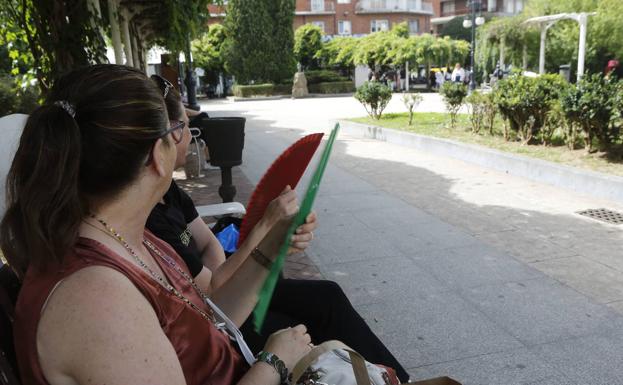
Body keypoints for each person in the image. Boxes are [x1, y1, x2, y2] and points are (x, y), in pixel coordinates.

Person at [1, 64, 313, 385]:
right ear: (156, 155)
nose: (181, 140)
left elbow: (207, 322)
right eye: (175, 131)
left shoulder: (124, 237)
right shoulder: (97, 300)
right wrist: (274, 363)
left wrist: (271, 247)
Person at [147, 74, 410, 382]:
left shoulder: (167, 195)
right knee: (313, 317)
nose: (191, 136)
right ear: (159, 146)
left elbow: (211, 252)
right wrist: (267, 228)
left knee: (327, 295)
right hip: (218, 324)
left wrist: (256, 252)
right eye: (181, 127)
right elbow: (214, 301)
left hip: (219, 304)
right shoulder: (146, 226)